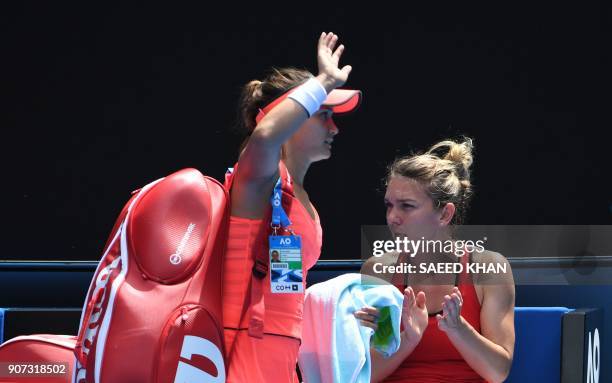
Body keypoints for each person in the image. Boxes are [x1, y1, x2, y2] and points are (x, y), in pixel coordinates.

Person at [222, 32, 362, 382]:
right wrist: (325, 80)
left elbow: (288, 286)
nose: (335, 127)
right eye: (323, 114)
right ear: (291, 116)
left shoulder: (301, 198)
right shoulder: (257, 181)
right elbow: (267, 135)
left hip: (284, 353)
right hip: (239, 344)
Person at [355, 138, 515, 383]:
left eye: (407, 206)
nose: (392, 218)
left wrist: (458, 329)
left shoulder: (488, 269)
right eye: (389, 206)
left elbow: (498, 372)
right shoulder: (380, 271)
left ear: (445, 213)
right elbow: (369, 375)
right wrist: (408, 338)